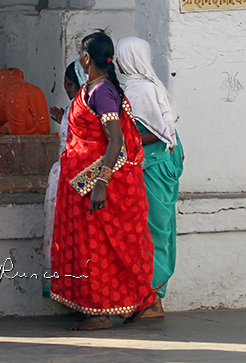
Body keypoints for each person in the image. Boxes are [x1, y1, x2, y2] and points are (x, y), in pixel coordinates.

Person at [50, 30, 155, 330]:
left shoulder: (102, 92)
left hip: (98, 183)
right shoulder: (92, 89)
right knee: (95, 248)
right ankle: (125, 303)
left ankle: (99, 313)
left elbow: (116, 140)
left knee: (100, 248)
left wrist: (101, 183)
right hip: (81, 182)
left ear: (86, 58)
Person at [115, 36, 185, 321]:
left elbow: (158, 132)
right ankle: (147, 297)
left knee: (154, 229)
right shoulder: (140, 86)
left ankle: (153, 300)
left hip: (153, 167)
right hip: (153, 164)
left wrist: (120, 143)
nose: (116, 62)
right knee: (149, 229)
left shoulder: (142, 89)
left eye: (120, 56)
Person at [42, 61, 82, 297]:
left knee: (66, 236)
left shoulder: (77, 109)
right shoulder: (86, 107)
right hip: (79, 177)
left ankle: (68, 290)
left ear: (68, 84)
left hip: (69, 177)